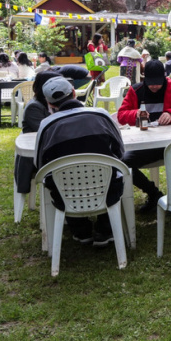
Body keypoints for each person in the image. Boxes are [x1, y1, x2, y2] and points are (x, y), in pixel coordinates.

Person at [34, 77, 124, 246]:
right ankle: (105, 229)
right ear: (74, 93)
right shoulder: (101, 115)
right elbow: (120, 152)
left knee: (55, 180)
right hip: (107, 189)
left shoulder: (46, 125)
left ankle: (80, 230)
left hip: (66, 193)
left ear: (49, 103)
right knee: (114, 172)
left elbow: (40, 166)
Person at [117, 60, 171, 212]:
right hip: (146, 145)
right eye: (150, 83)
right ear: (144, 78)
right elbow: (121, 115)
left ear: (164, 78)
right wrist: (135, 114)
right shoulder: (136, 90)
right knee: (123, 163)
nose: (154, 86)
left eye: (158, 83)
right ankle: (154, 194)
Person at [13, 71, 64, 200]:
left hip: (53, 150)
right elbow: (47, 133)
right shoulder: (34, 107)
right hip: (38, 155)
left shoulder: (55, 103)